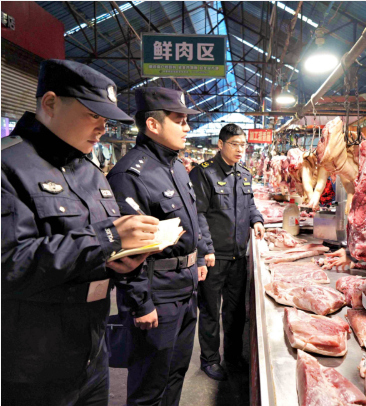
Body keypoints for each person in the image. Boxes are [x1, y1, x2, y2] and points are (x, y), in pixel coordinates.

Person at [1, 59, 159, 406]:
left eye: (106, 119)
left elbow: (91, 253)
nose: (102, 128)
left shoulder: (91, 172)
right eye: (93, 115)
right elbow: (8, 264)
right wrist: (107, 239)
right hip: (33, 368)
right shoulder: (8, 166)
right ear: (50, 103)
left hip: (92, 356)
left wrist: (123, 260)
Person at [106, 87, 209, 406]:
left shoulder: (176, 166)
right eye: (179, 120)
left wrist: (199, 258)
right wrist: (140, 303)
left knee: (176, 373)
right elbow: (124, 251)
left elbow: (192, 216)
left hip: (185, 290)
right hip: (157, 295)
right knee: (149, 386)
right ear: (153, 124)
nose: (187, 127)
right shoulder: (129, 174)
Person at [190, 124, 265, 381]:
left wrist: (257, 220)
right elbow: (198, 214)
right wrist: (205, 250)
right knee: (211, 310)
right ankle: (210, 360)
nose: (240, 149)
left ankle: (233, 356)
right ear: (220, 144)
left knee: (235, 311)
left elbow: (250, 203)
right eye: (234, 144)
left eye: (243, 144)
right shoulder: (204, 173)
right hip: (215, 257)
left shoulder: (244, 174)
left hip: (238, 256)